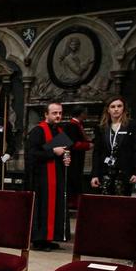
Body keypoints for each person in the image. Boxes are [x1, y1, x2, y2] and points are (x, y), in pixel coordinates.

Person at [27, 102, 71, 251]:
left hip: (56, 176)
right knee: (43, 208)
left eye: (60, 113)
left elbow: (64, 151)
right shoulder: (37, 131)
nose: (58, 115)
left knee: (55, 206)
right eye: (54, 113)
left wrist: (65, 157)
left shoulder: (59, 130)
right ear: (46, 114)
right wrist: (53, 152)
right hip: (41, 179)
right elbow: (32, 154)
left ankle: (50, 238)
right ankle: (39, 241)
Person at [90, 95, 136, 196]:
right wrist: (94, 174)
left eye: (119, 106)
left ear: (124, 108)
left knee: (122, 205)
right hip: (105, 172)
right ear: (108, 110)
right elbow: (97, 152)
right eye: (113, 107)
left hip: (125, 172)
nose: (116, 109)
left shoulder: (131, 126)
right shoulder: (101, 127)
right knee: (105, 204)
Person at [62, 105, 92, 209]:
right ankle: (73, 202)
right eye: (85, 112)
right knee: (73, 179)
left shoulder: (77, 124)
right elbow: (72, 144)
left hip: (77, 158)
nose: (87, 114)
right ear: (81, 113)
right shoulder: (72, 125)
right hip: (73, 158)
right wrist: (88, 145)